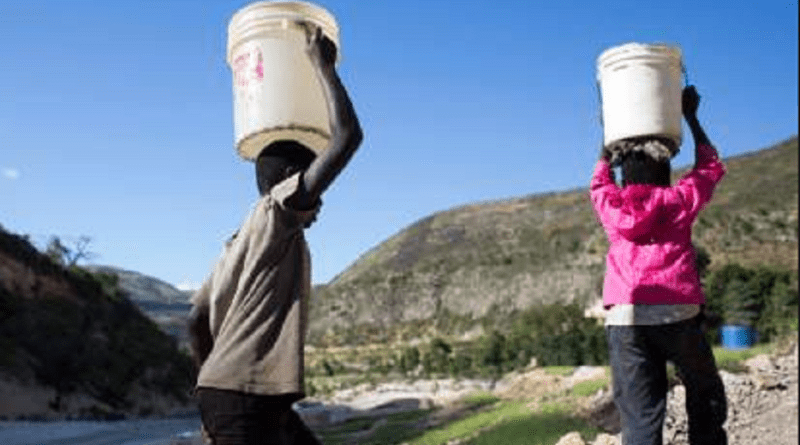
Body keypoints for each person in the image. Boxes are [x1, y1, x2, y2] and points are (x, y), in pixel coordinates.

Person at [188, 27, 363, 445]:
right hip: (242, 398)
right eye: (312, 185)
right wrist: (322, 66)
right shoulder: (277, 211)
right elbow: (347, 139)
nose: (319, 203)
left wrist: (211, 381)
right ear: (290, 179)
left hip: (243, 395)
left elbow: (195, 321)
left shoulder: (237, 243)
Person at [589, 86, 728, 445]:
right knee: (704, 391)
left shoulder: (613, 206)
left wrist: (609, 138)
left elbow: (598, 182)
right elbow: (711, 167)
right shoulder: (679, 200)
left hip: (626, 318)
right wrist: (691, 117)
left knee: (640, 414)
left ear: (624, 179)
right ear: (666, 172)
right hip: (677, 313)